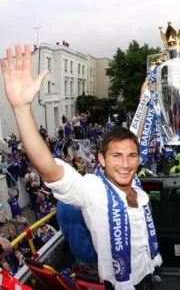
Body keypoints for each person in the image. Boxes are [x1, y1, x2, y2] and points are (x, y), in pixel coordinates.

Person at [0, 45, 162, 290]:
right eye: (116, 156)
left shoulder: (133, 182)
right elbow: (49, 168)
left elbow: (133, 138)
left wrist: (144, 101)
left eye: (132, 156)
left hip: (148, 274)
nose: (126, 163)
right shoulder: (93, 190)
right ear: (102, 159)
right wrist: (22, 109)